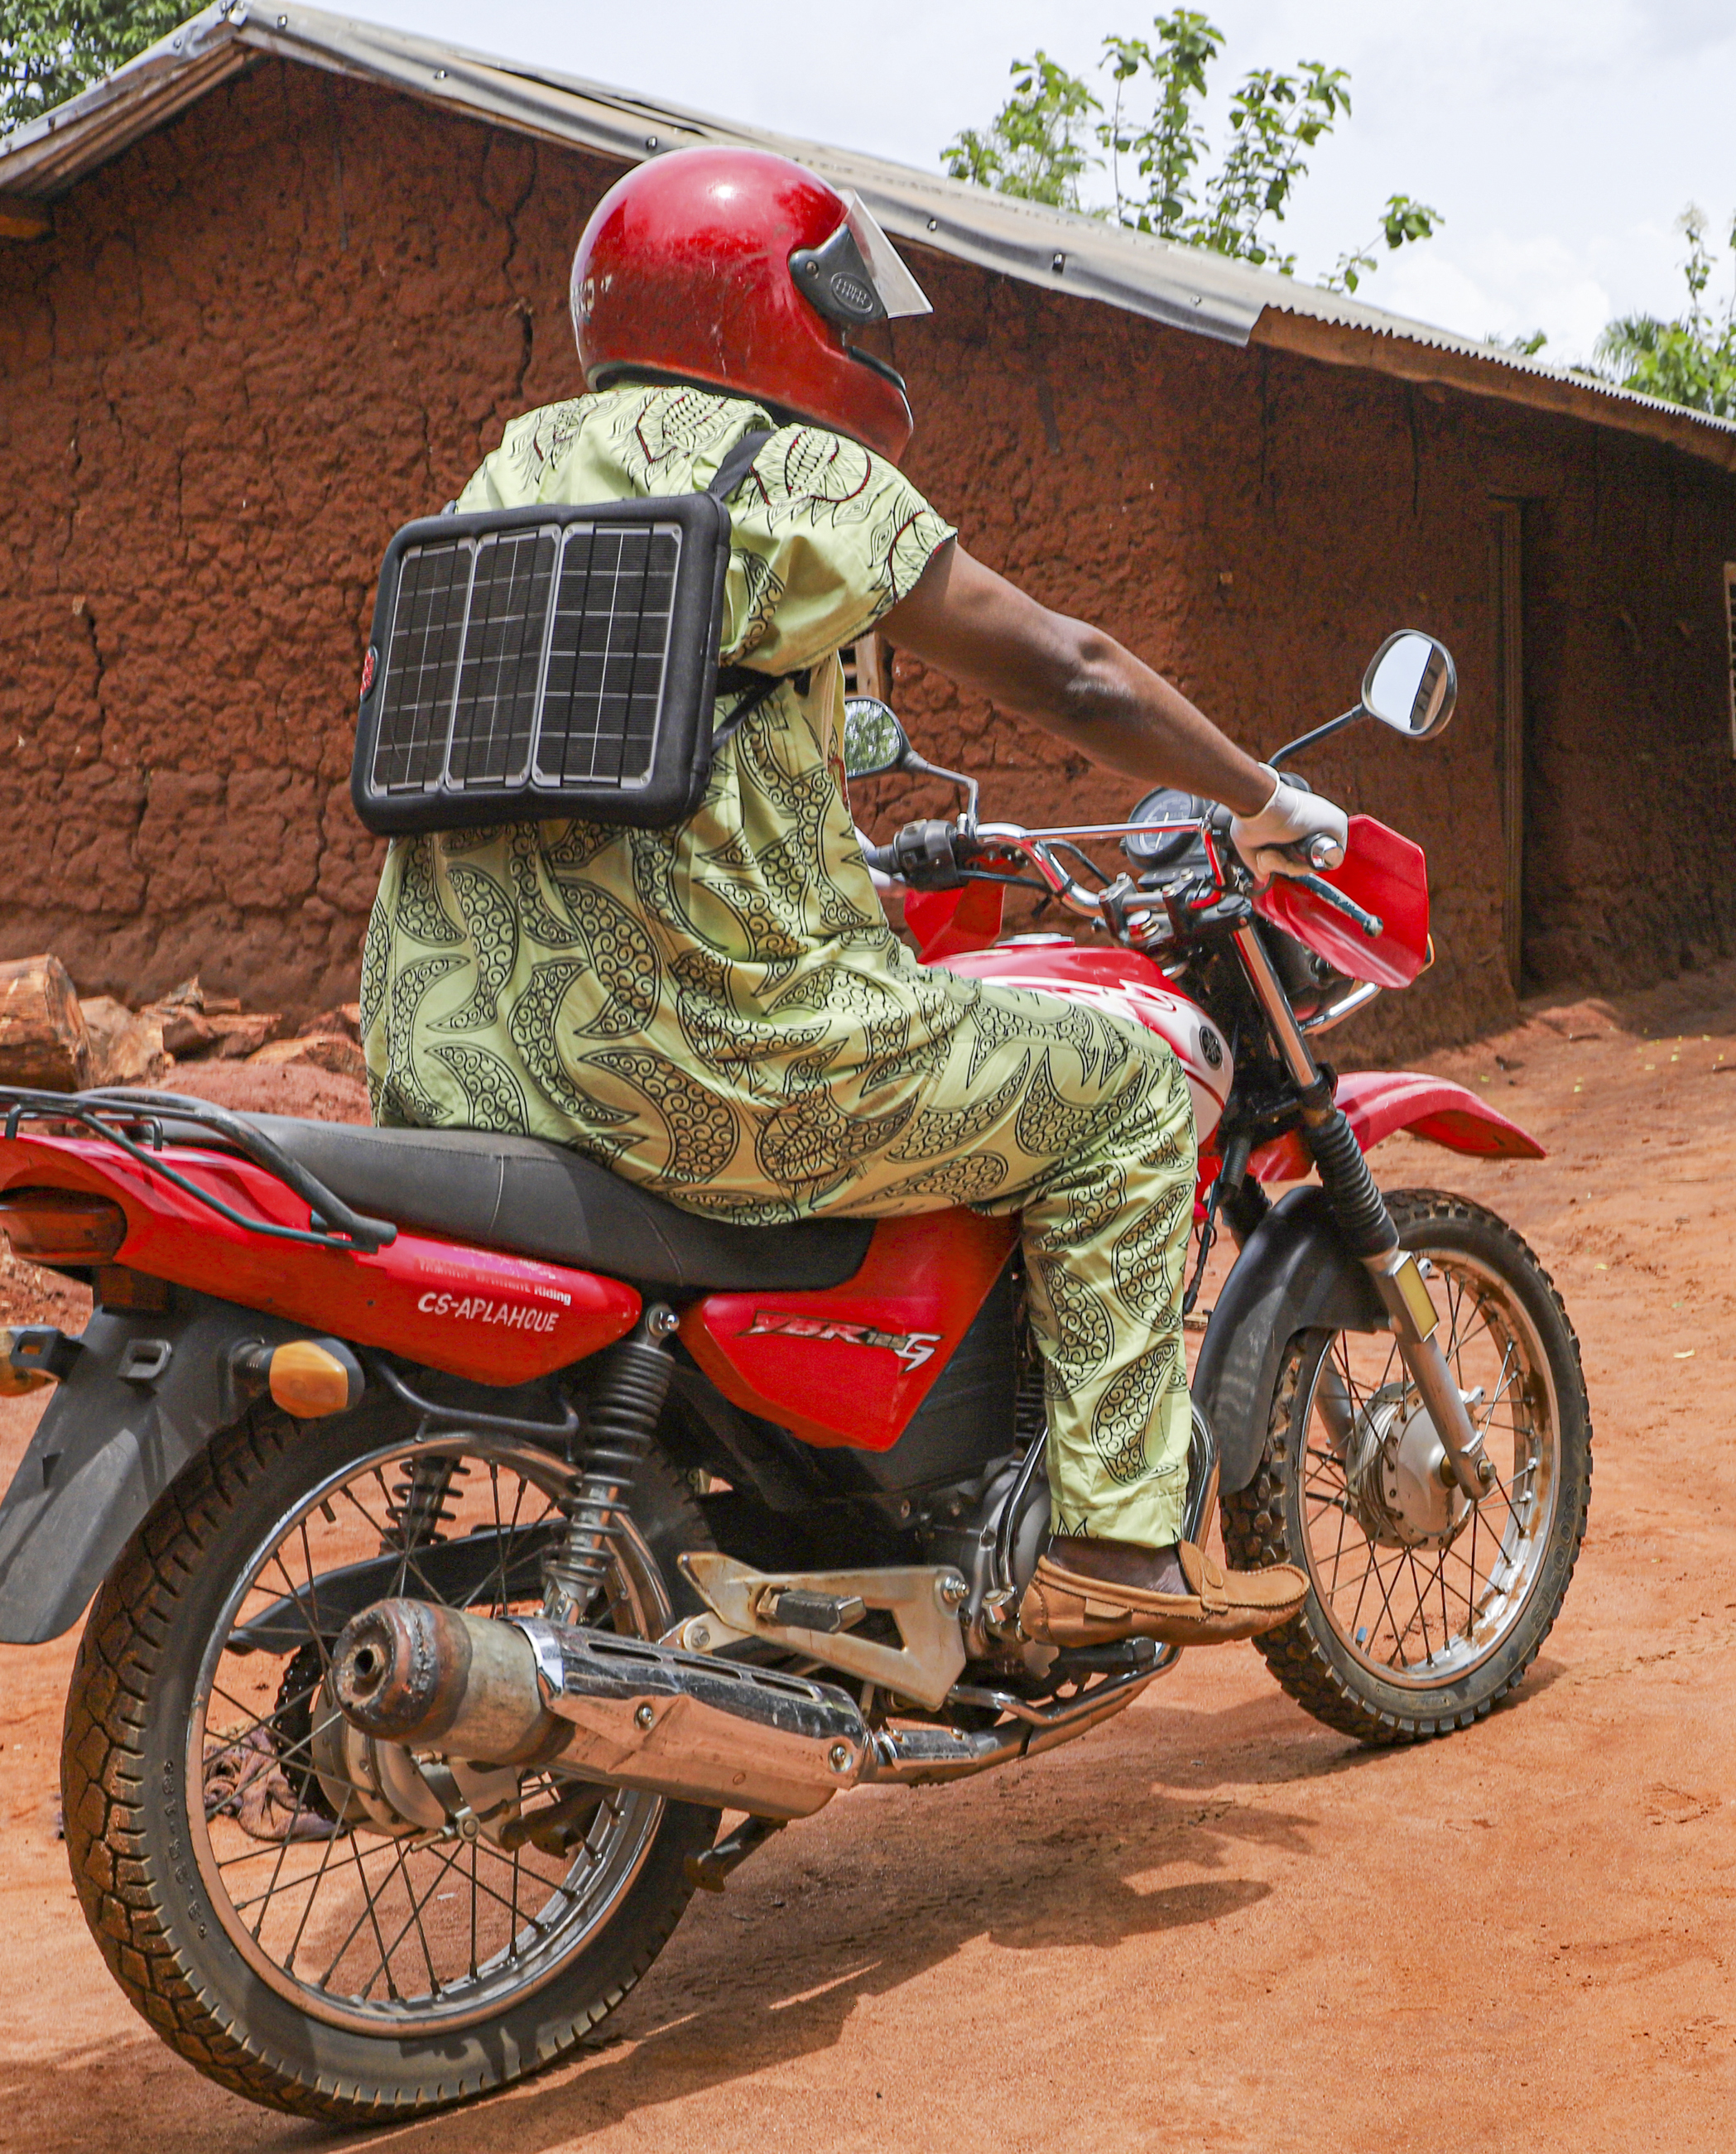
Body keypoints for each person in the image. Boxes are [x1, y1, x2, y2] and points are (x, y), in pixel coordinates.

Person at [359, 148, 1333, 1647]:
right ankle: (1118, 1548)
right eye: (841, 299)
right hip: (721, 1065)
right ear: (768, 304)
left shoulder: (511, 467)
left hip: (458, 1062)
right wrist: (1261, 799)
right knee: (1130, 1100)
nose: (868, 336)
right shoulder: (785, 469)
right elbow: (1067, 667)